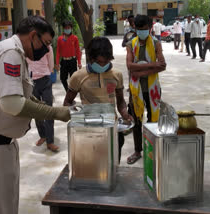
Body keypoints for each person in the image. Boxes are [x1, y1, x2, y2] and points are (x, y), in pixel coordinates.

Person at [0, 16, 70, 214]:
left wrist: (40, 105)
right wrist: (54, 112)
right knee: (0, 210)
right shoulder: (10, 53)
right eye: (46, 43)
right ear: (33, 35)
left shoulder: (17, 54)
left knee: (7, 207)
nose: (47, 50)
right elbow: (11, 104)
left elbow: (20, 95)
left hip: (0, 146)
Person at [63, 37, 133, 163]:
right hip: (89, 130)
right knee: (92, 165)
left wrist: (125, 113)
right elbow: (67, 102)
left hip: (112, 128)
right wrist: (75, 115)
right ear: (90, 58)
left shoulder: (116, 75)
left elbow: (121, 100)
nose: (103, 65)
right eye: (99, 62)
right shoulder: (78, 76)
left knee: (113, 164)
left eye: (106, 61)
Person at [126, 15, 166, 164]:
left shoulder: (156, 43)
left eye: (145, 29)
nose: (142, 32)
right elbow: (130, 66)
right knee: (136, 120)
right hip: (136, 89)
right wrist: (152, 65)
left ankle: (151, 149)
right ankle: (137, 151)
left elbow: (163, 65)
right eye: (139, 29)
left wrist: (141, 71)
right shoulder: (131, 44)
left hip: (152, 88)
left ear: (150, 28)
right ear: (135, 28)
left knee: (153, 120)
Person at [26, 44, 59, 151]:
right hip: (32, 81)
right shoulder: (27, 45)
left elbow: (50, 61)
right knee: (37, 111)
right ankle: (43, 135)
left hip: (45, 80)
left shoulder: (47, 46)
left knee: (48, 110)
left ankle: (50, 141)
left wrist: (48, 71)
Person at [55, 20, 82, 92]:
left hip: (72, 61)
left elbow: (78, 51)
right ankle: (68, 91)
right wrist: (57, 63)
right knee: (62, 79)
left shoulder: (75, 38)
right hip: (63, 61)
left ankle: (71, 93)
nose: (67, 29)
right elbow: (58, 52)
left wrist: (79, 62)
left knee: (73, 78)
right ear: (63, 28)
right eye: (66, 28)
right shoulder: (60, 39)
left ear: (71, 28)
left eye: (69, 28)